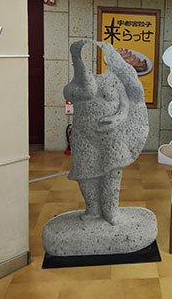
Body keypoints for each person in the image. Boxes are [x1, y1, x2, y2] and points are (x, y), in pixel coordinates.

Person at [64, 40, 149, 225]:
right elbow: (78, 92)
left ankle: (111, 211)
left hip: (112, 135)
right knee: (84, 174)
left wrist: (118, 118)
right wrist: (81, 71)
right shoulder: (75, 86)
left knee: (112, 172)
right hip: (84, 136)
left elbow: (126, 105)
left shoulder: (115, 80)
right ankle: (93, 209)